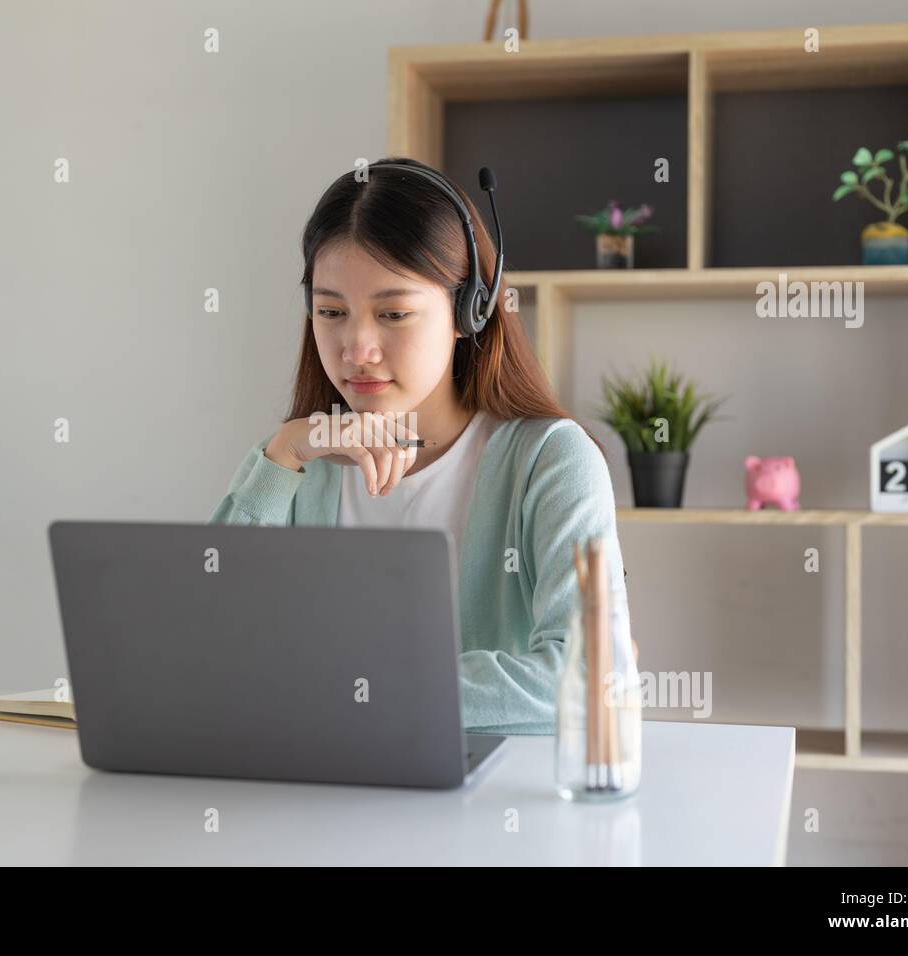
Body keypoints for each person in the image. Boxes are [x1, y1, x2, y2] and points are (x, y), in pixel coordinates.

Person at [210, 157, 630, 735]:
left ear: (469, 312)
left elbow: (590, 677)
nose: (357, 347)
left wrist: (361, 688)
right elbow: (207, 644)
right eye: (331, 312)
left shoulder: (550, 462)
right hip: (315, 796)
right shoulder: (300, 463)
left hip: (485, 812)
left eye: (394, 313)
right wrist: (282, 455)